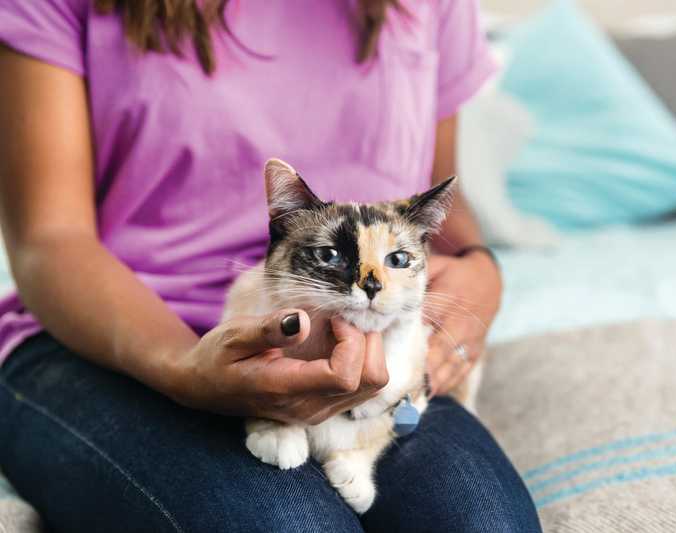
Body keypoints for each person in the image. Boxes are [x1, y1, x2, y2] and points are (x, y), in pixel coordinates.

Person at [0, 1, 543, 531]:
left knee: (484, 521)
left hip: (369, 343)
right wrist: (184, 367)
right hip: (112, 337)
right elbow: (49, 238)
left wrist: (483, 270)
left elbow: (444, 205)